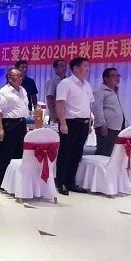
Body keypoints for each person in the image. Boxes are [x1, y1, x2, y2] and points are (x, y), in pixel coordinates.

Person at [55, 57, 93, 196]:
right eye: (85, 66)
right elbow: (60, 104)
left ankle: (71, 182)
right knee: (65, 153)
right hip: (70, 123)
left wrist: (89, 123)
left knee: (77, 154)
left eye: (88, 66)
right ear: (76, 68)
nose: (88, 69)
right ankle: (61, 183)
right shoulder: (66, 83)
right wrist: (63, 123)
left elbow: (89, 105)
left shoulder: (87, 85)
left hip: (83, 124)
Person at [0, 68, 29, 188]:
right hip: (9, 124)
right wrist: (0, 128)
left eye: (21, 75)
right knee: (6, 153)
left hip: (21, 124)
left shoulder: (23, 90)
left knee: (19, 153)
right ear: (9, 78)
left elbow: (24, 108)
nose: (20, 78)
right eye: (17, 75)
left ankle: (15, 181)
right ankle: (2, 181)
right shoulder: (4, 91)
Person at [92, 68, 127, 157]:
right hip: (107, 127)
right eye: (114, 75)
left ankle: (111, 166)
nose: (117, 78)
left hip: (118, 126)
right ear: (106, 78)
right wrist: (102, 124)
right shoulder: (100, 91)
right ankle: (99, 166)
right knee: (104, 152)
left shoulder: (117, 90)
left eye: (118, 75)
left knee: (114, 152)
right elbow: (97, 109)